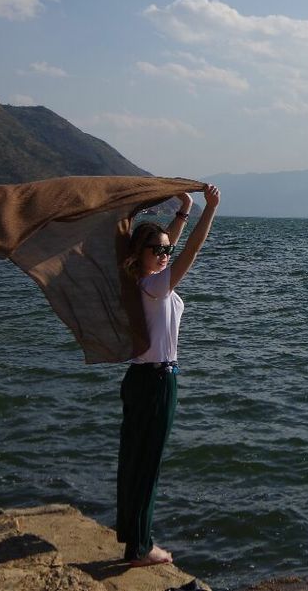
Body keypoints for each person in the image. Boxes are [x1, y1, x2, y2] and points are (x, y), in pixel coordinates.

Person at [115, 184, 220, 566]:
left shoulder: (138, 283)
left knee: (134, 459)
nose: (163, 255)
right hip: (158, 381)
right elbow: (188, 251)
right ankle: (140, 549)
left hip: (140, 380)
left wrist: (184, 209)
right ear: (137, 254)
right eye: (155, 250)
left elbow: (168, 248)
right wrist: (210, 210)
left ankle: (133, 538)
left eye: (165, 250)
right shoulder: (155, 286)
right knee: (148, 464)